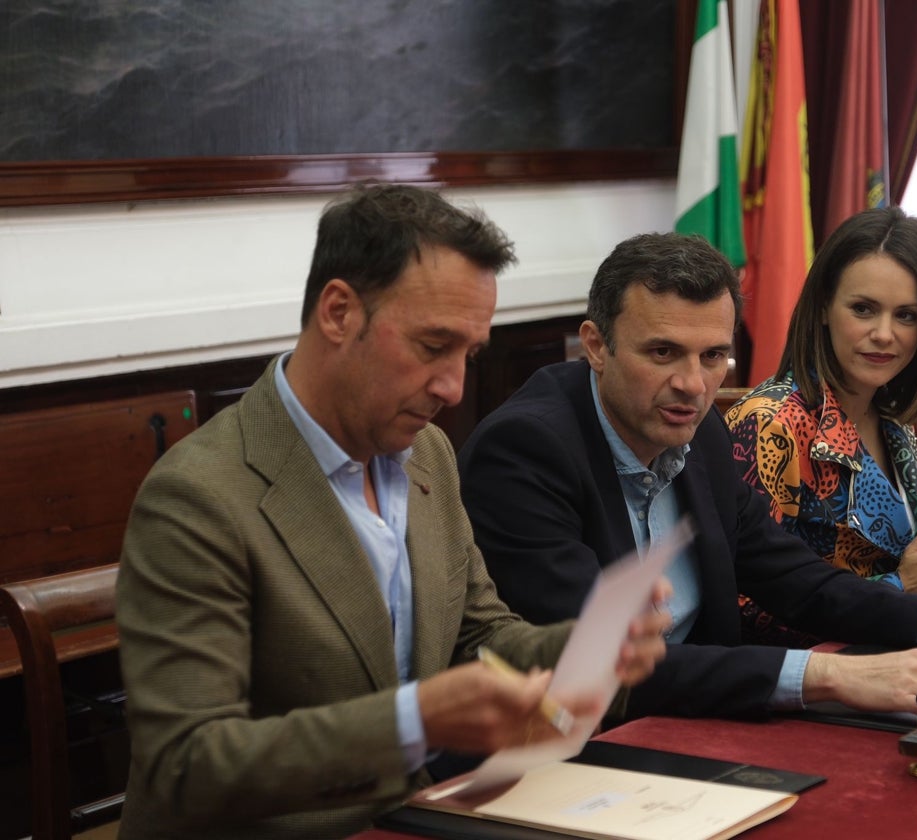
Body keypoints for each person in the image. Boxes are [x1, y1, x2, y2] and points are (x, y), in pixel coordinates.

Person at [114, 183, 669, 840]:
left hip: (418, 817)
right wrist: (415, 721)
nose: (454, 387)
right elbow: (188, 764)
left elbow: (476, 637)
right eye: (433, 347)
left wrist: (584, 647)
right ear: (339, 313)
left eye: (469, 355)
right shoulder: (200, 496)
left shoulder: (426, 452)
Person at [457, 230, 917, 723]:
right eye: (663, 353)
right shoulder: (527, 451)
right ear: (596, 345)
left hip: (700, 719)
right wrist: (826, 677)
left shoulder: (700, 430)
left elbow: (797, 580)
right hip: (583, 740)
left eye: (713, 356)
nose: (692, 384)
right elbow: (601, 667)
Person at [725, 207, 917, 648]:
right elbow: (740, 612)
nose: (885, 334)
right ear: (825, 307)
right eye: (864, 309)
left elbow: (911, 565)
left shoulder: (891, 417)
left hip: (902, 656)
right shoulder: (771, 423)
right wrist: (901, 589)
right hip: (817, 682)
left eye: (907, 315)